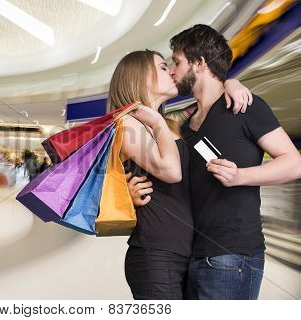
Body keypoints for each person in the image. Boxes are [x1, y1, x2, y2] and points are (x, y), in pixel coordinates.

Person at [129, 24, 300, 300]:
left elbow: (294, 163)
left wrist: (241, 176)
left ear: (199, 63)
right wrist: (133, 193)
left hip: (232, 255)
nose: (172, 70)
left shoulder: (245, 106)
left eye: (177, 62)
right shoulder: (186, 126)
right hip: (193, 255)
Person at [108, 49, 251, 300]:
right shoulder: (128, 123)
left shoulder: (170, 124)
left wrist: (231, 82)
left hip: (186, 251)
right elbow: (171, 172)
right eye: (163, 67)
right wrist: (157, 123)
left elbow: (209, 98)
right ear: (140, 76)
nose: (172, 72)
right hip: (155, 251)